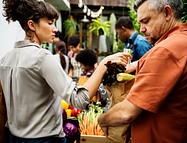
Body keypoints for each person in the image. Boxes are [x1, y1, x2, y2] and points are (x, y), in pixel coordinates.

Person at [0, 0, 131, 143]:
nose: (55, 29)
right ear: (32, 25)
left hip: (13, 138)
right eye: (49, 23)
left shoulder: (5, 59)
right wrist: (104, 64)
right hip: (45, 139)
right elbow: (79, 100)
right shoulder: (42, 57)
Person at [98, 0, 187, 143]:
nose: (141, 29)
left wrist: (102, 120)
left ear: (167, 13)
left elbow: (126, 113)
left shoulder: (165, 51)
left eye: (145, 21)